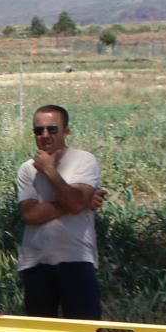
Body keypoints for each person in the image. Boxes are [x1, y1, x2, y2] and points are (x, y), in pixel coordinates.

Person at [16, 105, 104, 320]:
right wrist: (77, 202)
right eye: (39, 130)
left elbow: (74, 202)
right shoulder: (26, 169)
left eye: (52, 129)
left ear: (66, 131)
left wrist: (50, 171)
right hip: (36, 263)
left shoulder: (84, 160)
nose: (45, 135)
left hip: (77, 259)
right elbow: (30, 215)